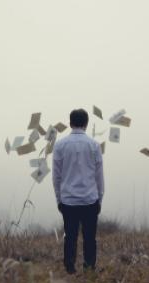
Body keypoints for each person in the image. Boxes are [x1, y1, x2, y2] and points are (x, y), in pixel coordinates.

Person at [52, 109, 104, 274]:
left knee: (70, 236)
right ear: (86, 123)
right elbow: (99, 176)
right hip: (90, 199)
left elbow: (56, 177)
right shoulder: (94, 145)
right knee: (89, 238)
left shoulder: (59, 145)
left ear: (70, 123)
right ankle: (89, 268)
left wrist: (59, 199)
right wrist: (99, 199)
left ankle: (69, 268)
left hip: (68, 200)